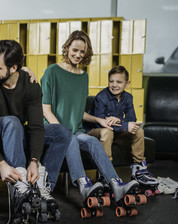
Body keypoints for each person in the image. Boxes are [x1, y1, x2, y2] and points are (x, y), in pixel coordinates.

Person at [0, 40, 71, 224]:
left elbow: (36, 126)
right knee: (12, 121)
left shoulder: (30, 84)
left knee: (62, 132)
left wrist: (34, 160)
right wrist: (1, 165)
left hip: (16, 132)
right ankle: (21, 188)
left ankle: (42, 188)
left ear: (14, 67)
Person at [41, 30, 139, 207]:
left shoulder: (83, 76)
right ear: (67, 47)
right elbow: (45, 110)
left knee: (93, 142)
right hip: (53, 131)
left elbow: (79, 112)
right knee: (69, 138)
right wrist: (63, 133)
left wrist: (99, 120)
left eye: (82, 52)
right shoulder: (52, 72)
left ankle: (116, 185)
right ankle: (83, 185)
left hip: (75, 131)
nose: (78, 55)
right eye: (75, 50)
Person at [85, 65, 159, 191]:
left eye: (119, 82)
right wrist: (124, 124)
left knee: (138, 131)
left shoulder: (128, 97)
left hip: (114, 131)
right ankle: (105, 172)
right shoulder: (101, 97)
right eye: (111, 81)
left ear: (127, 83)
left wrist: (119, 120)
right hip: (95, 131)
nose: (114, 85)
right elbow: (100, 124)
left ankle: (138, 169)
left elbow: (132, 121)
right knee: (107, 131)